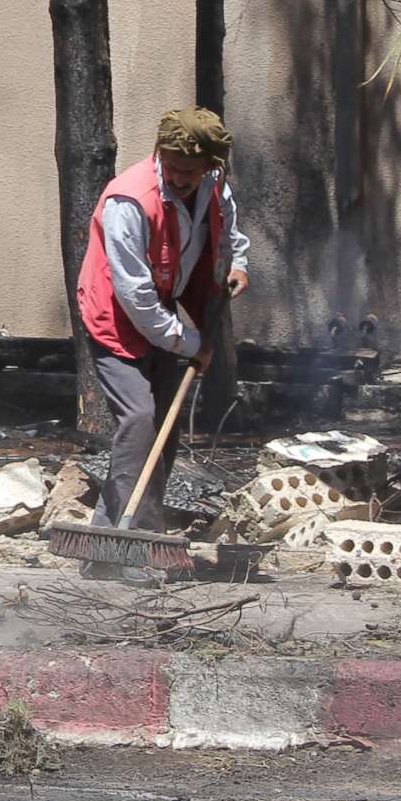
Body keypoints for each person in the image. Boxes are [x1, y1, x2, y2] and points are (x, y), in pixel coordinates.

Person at [74, 108, 251, 533]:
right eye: (171, 168)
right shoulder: (128, 201)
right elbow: (134, 295)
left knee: (164, 430)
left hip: (162, 308)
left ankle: (128, 533)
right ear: (159, 153)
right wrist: (192, 344)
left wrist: (237, 263)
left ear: (210, 166)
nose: (178, 179)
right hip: (116, 315)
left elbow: (226, 230)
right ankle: (118, 537)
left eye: (190, 171)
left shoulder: (213, 184)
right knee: (138, 420)